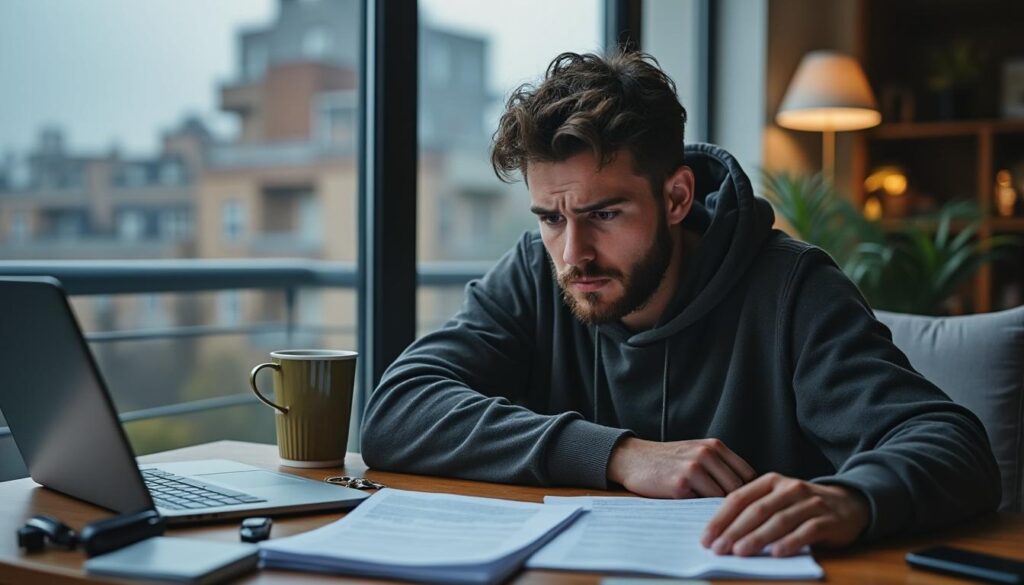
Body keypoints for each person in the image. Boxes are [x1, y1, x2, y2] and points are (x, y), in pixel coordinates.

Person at [361, 51, 1000, 557]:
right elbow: (397, 410)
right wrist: (617, 454)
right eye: (551, 218)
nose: (573, 252)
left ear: (675, 197)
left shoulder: (792, 289)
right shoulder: (538, 271)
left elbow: (952, 447)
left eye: (603, 213)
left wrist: (851, 500)